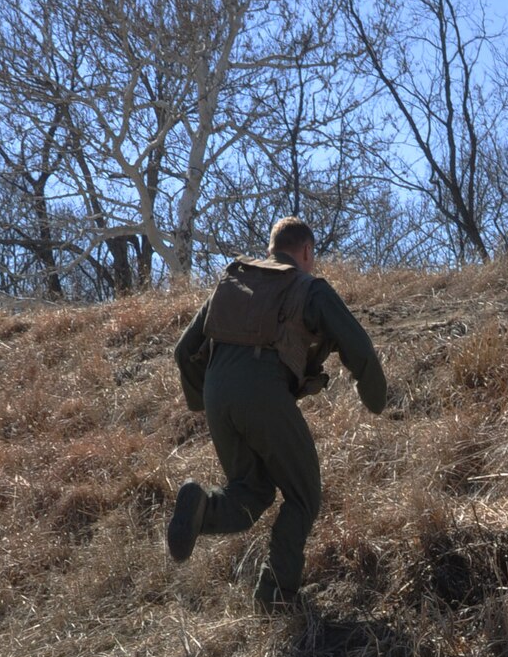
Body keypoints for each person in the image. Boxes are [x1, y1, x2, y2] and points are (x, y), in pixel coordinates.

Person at [166, 216, 387, 609]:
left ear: (271, 247)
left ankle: (201, 508)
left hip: (218, 394)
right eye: (312, 256)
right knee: (304, 495)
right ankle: (276, 596)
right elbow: (359, 345)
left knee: (251, 492)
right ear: (306, 251)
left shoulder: (233, 279)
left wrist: (204, 401)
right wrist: (377, 400)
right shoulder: (308, 286)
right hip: (262, 388)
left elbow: (184, 350)